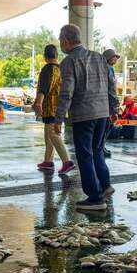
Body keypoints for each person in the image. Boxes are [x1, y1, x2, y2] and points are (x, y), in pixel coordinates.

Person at [54, 24, 115, 211]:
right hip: (103, 113)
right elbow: (111, 85)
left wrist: (58, 118)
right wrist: (113, 108)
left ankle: (95, 198)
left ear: (65, 41)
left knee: (85, 155)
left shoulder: (68, 62)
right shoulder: (98, 57)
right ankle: (105, 185)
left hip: (84, 115)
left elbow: (67, 93)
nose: (60, 44)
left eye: (60, 41)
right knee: (97, 150)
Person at [34, 44, 75, 174]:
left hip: (51, 107)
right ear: (56, 55)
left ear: (45, 57)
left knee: (53, 134)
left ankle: (67, 161)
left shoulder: (48, 69)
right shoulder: (61, 69)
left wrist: (38, 103)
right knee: (48, 134)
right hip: (61, 106)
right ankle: (48, 161)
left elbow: (44, 88)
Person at [102, 49, 121, 158]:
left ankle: (102, 146)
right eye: (114, 57)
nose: (116, 59)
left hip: (111, 102)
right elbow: (109, 88)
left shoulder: (111, 69)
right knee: (106, 125)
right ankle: (100, 147)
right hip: (107, 102)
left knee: (108, 125)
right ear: (109, 57)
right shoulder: (106, 69)